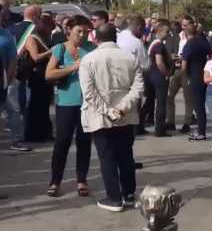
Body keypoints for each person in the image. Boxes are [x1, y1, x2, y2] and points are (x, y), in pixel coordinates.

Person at [79, 23, 144, 212]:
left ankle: (114, 198)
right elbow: (138, 88)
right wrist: (122, 108)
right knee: (125, 155)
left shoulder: (89, 59)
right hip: (126, 115)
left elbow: (89, 93)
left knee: (107, 157)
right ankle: (129, 194)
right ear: (115, 38)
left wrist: (108, 111)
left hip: (100, 117)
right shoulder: (130, 58)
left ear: (96, 39)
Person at [44, 15, 95, 198]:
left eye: (85, 32)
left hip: (88, 103)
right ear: (69, 31)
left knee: (84, 143)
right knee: (62, 143)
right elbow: (49, 74)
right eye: (78, 31)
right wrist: (73, 67)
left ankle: (82, 180)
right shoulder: (60, 49)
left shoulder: (92, 49)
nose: (82, 35)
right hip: (66, 102)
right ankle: (55, 181)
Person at [0, 4, 27, 152]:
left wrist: (9, 79)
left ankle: (17, 141)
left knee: (13, 109)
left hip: (5, 79)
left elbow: (12, 59)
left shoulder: (6, 35)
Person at [117, 15, 150, 135]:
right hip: (132, 82)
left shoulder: (116, 37)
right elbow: (146, 65)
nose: (142, 33)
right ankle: (134, 129)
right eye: (143, 30)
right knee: (133, 107)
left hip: (115, 80)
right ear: (139, 27)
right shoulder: (136, 43)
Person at [23, 15, 54, 142]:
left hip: (45, 76)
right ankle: (34, 134)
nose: (50, 30)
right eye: (49, 27)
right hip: (36, 76)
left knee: (44, 106)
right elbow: (35, 57)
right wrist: (50, 51)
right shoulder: (32, 38)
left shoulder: (45, 38)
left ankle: (45, 132)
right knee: (36, 106)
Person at [181, 15, 211, 141]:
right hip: (205, 75)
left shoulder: (189, 44)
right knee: (202, 105)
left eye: (184, 25)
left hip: (194, 77)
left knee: (198, 105)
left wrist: (185, 77)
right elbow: (211, 55)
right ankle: (202, 130)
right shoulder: (204, 41)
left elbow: (183, 65)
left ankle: (201, 132)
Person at [143, 19, 172, 137]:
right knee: (161, 103)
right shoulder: (159, 45)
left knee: (149, 101)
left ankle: (139, 126)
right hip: (158, 76)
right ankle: (160, 129)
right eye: (167, 31)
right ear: (160, 31)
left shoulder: (152, 43)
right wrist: (167, 73)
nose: (168, 34)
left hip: (150, 75)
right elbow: (159, 62)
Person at [167, 20, 195, 132]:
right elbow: (167, 51)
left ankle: (187, 123)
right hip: (176, 70)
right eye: (183, 25)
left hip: (188, 71)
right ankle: (170, 122)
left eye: (186, 25)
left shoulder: (194, 39)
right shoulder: (175, 37)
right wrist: (171, 56)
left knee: (188, 98)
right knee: (169, 96)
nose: (184, 27)